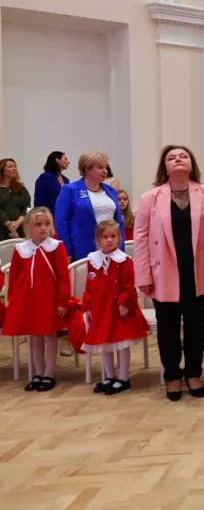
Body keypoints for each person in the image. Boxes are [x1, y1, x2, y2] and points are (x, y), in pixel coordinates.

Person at [134, 145, 204, 401]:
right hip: (163, 272)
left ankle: (194, 373)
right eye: (171, 157)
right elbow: (140, 239)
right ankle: (172, 376)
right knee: (168, 328)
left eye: (183, 156)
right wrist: (143, 275)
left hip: (199, 270)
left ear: (192, 163)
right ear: (164, 166)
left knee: (197, 327)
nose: (177, 160)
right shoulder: (149, 198)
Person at [1, 207, 70, 392]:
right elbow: (14, 277)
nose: (43, 228)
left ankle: (49, 373)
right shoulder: (21, 249)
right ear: (29, 227)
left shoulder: (56, 247)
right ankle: (38, 372)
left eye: (47, 224)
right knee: (33, 337)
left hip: (48, 300)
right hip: (28, 301)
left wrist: (62, 301)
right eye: (38, 224)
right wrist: (14, 299)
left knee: (49, 335)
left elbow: (63, 276)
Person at [81, 220, 149, 395]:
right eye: (105, 237)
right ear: (98, 239)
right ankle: (109, 376)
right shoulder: (93, 260)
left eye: (113, 236)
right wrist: (88, 306)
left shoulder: (124, 260)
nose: (109, 240)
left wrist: (123, 303)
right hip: (101, 310)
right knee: (105, 344)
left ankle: (124, 378)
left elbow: (129, 284)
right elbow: (89, 285)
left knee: (121, 344)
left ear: (119, 238)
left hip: (118, 310)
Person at [54, 152, 124, 261]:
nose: (105, 171)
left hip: (112, 248)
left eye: (106, 167)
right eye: (100, 167)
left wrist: (121, 246)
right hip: (84, 248)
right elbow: (61, 222)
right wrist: (66, 250)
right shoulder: (70, 190)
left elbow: (118, 220)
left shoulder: (110, 190)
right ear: (87, 169)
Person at [0, 158, 31, 241]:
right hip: (1, 229)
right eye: (10, 166)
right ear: (2, 170)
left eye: (15, 166)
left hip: (19, 229)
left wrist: (17, 223)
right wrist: (9, 225)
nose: (14, 169)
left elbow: (27, 207)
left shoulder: (21, 189)